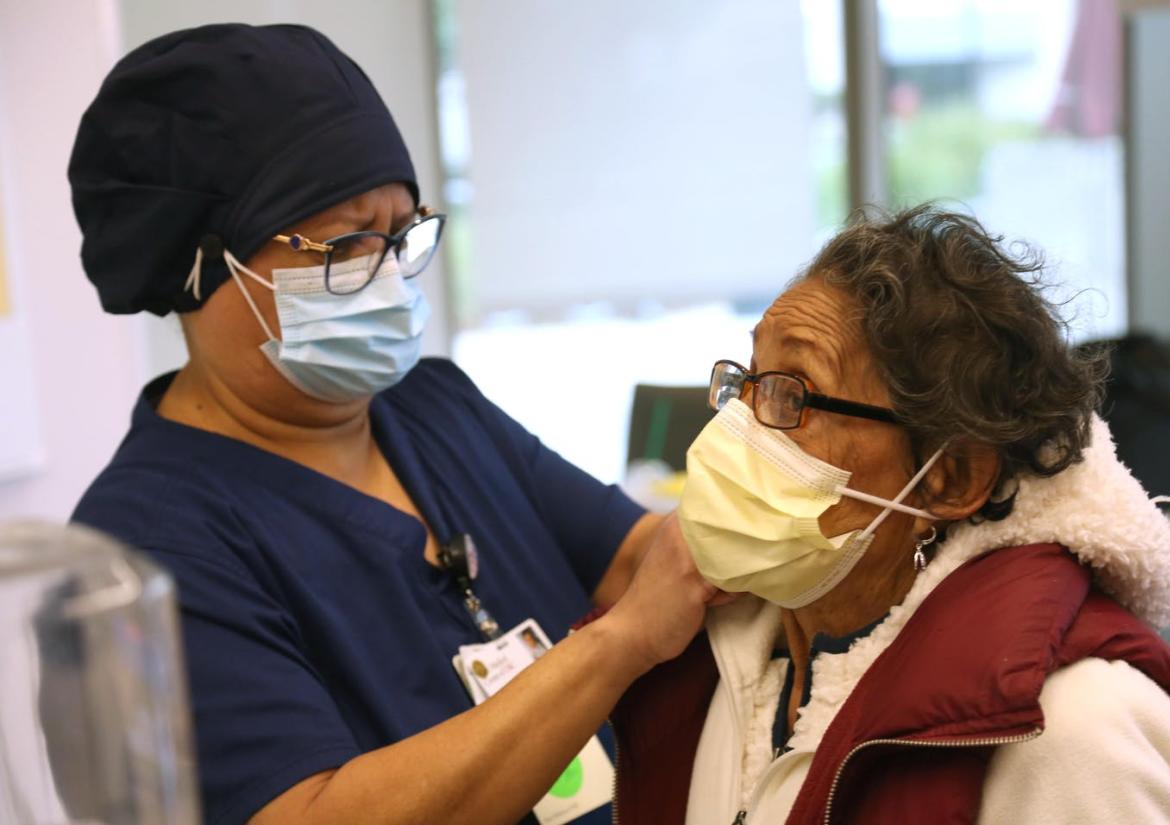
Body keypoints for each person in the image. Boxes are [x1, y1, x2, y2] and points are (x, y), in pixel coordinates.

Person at [67, 24, 722, 825]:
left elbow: (633, 558)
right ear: (199, 269)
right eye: (344, 245)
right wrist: (617, 645)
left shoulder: (433, 406)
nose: (386, 274)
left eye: (401, 232)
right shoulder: (147, 548)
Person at [606, 206, 1170, 824]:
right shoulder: (709, 656)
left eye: (792, 393)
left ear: (948, 480)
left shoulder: (1072, 731)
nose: (739, 425)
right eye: (749, 380)